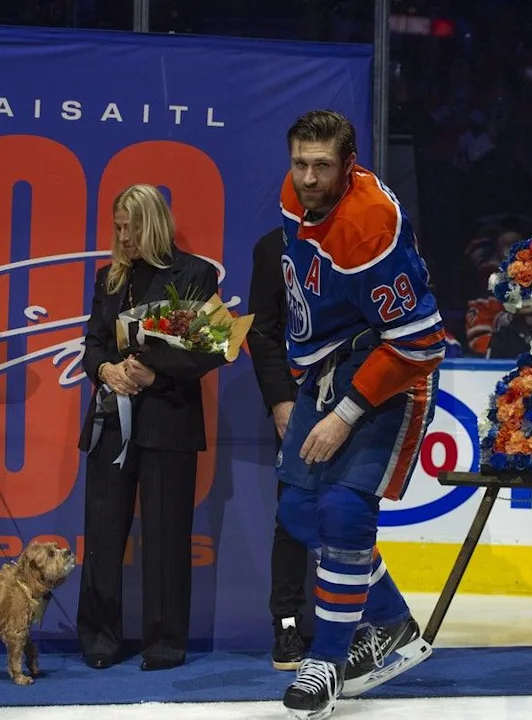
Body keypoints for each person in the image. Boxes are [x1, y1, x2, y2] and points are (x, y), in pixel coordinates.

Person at [275, 110, 445, 720]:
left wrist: (346, 412)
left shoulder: (371, 224)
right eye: (301, 164)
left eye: (323, 166)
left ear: (350, 166)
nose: (309, 178)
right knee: (297, 508)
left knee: (344, 510)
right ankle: (393, 622)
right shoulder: (294, 194)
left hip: (387, 371)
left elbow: (421, 342)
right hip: (324, 366)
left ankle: (327, 660)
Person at [77, 184, 218, 671]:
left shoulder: (196, 274)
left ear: (153, 224)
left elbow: (207, 353)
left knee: (166, 536)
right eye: (117, 227)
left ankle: (164, 644)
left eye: (131, 227)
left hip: (168, 421)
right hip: (112, 419)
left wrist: (157, 374)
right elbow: (92, 343)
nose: (122, 236)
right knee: (102, 530)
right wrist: (104, 371)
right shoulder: (109, 278)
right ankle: (98, 639)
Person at [247, 226, 312, 670]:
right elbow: (261, 331)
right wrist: (279, 400)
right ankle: (286, 625)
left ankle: (364, 621)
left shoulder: (363, 237)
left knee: (353, 515)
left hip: (356, 395)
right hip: (298, 401)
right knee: (293, 514)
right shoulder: (272, 247)